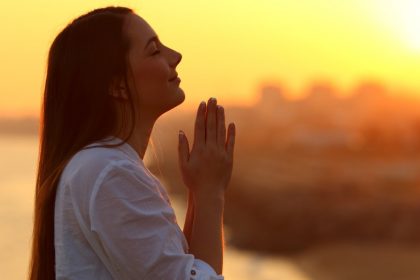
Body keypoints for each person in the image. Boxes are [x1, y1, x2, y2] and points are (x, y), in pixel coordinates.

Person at [28, 6, 236, 280]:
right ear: (118, 86)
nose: (175, 56)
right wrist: (211, 193)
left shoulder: (101, 166)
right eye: (154, 50)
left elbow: (187, 269)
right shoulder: (110, 171)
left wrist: (199, 193)